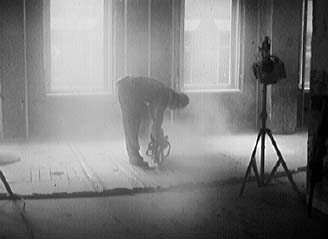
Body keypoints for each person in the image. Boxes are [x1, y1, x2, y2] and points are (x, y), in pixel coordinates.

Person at [117, 76, 189, 168]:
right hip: (128, 89)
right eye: (177, 107)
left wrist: (157, 133)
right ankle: (134, 157)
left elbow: (153, 116)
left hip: (127, 87)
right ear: (177, 102)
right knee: (132, 122)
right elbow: (156, 123)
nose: (173, 109)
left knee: (142, 118)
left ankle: (140, 148)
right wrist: (158, 138)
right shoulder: (165, 97)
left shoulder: (164, 92)